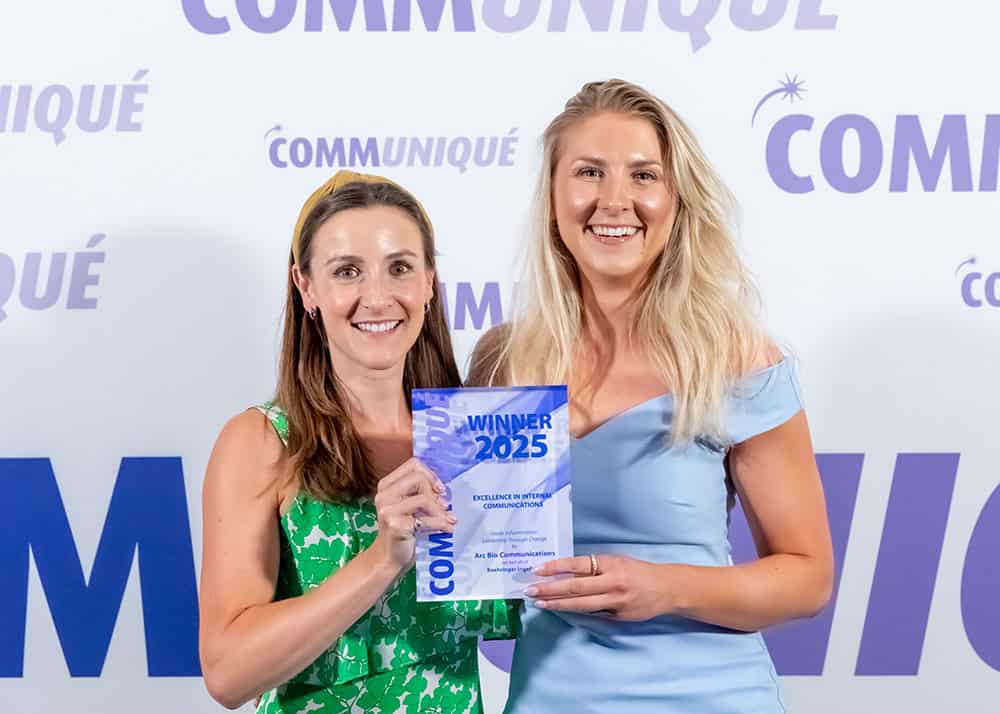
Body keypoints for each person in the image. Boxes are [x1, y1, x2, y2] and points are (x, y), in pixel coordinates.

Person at [468, 79, 834, 713]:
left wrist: (666, 588)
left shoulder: (734, 357)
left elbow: (808, 576)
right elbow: (481, 562)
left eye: (644, 176)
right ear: (552, 197)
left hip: (712, 699)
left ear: (675, 199)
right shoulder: (504, 360)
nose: (615, 201)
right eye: (589, 172)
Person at [199, 170, 518, 713]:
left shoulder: (473, 436)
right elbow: (227, 674)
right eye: (347, 271)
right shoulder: (262, 441)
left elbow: (521, 611)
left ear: (429, 282)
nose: (377, 297)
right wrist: (382, 560)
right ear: (306, 287)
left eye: (400, 268)